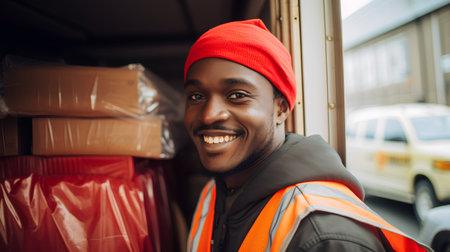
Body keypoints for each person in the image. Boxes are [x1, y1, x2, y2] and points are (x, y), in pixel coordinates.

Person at [183, 19, 430, 252]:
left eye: (237, 95)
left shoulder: (325, 235)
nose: (208, 115)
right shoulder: (214, 193)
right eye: (196, 96)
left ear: (280, 108)